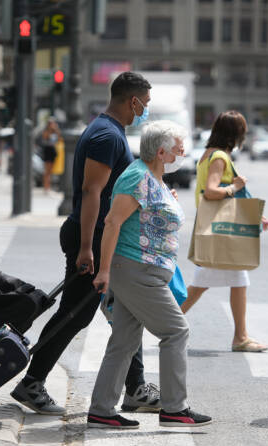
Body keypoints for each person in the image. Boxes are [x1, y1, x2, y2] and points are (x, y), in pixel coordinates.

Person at [11, 71, 160, 415]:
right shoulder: (107, 136)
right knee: (74, 315)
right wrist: (86, 248)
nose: (145, 110)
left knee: (125, 313)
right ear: (132, 101)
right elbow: (92, 192)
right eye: (145, 104)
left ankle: (135, 388)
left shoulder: (109, 131)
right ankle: (31, 382)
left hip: (102, 238)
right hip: (90, 237)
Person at [87, 121, 212, 429]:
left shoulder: (152, 178)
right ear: (161, 152)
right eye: (179, 149)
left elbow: (148, 212)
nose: (182, 154)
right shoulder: (137, 177)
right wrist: (104, 270)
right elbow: (113, 222)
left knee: (124, 342)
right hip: (137, 269)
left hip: (144, 270)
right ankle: (175, 408)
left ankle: (101, 410)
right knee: (176, 331)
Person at [181, 111, 268, 352]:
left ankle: (240, 336)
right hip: (220, 232)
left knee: (234, 281)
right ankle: (167, 326)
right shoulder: (220, 157)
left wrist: (253, 215)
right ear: (235, 134)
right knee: (201, 285)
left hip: (216, 227)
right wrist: (235, 186)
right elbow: (211, 192)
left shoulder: (209, 154)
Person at [38, 118, 61, 192]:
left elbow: (59, 139)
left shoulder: (55, 132)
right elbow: (45, 137)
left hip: (53, 151)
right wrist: (50, 130)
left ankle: (49, 187)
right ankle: (46, 187)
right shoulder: (46, 131)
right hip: (47, 151)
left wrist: (56, 129)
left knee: (50, 171)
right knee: (46, 171)